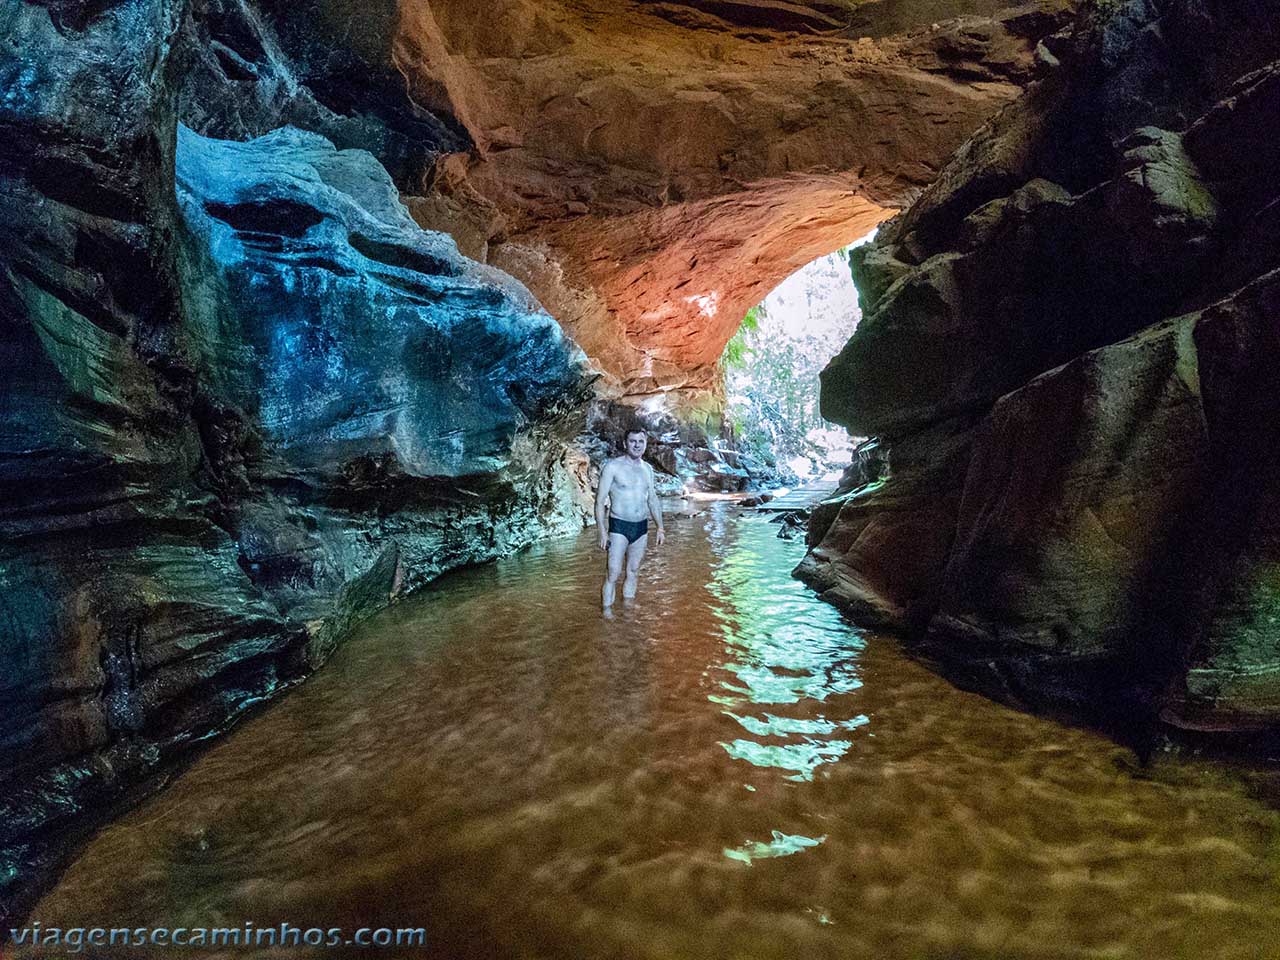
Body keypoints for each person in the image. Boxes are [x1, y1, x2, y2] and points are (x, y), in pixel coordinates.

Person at [596, 428, 665, 609]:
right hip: (619, 526)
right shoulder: (612, 467)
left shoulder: (648, 469)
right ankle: (607, 615)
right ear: (626, 443)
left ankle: (627, 612)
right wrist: (602, 532)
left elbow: (653, 499)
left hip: (641, 527)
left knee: (633, 571)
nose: (637, 445)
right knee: (613, 572)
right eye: (633, 441)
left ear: (645, 444)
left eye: (640, 441)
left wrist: (660, 527)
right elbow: (600, 501)